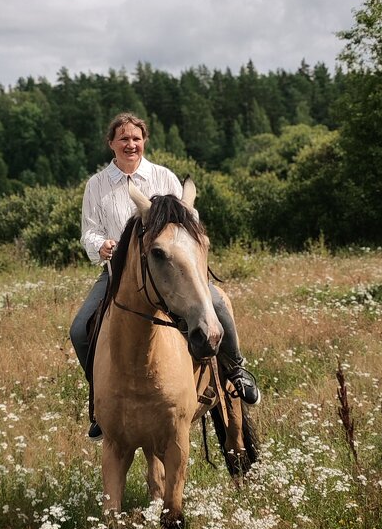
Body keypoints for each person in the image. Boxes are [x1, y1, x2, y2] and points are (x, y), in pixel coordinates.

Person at [70, 112, 260, 441]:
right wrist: (100, 245)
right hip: (119, 274)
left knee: (216, 303)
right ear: (111, 143)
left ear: (144, 141)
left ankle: (237, 369)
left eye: (136, 138)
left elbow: (190, 220)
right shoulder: (96, 185)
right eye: (123, 138)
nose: (131, 144)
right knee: (79, 329)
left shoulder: (163, 177)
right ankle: (103, 402)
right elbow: (89, 230)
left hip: (172, 271)